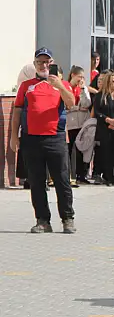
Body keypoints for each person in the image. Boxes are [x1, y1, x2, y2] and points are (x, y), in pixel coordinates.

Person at [10, 48, 76, 234]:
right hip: (31, 139)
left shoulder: (62, 84)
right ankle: (42, 220)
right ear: (35, 64)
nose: (44, 65)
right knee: (36, 181)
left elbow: (71, 103)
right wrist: (14, 136)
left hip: (55, 137)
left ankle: (67, 218)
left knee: (62, 179)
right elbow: (16, 112)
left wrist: (60, 86)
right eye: (40, 62)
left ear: (52, 63)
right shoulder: (27, 86)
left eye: (47, 62)